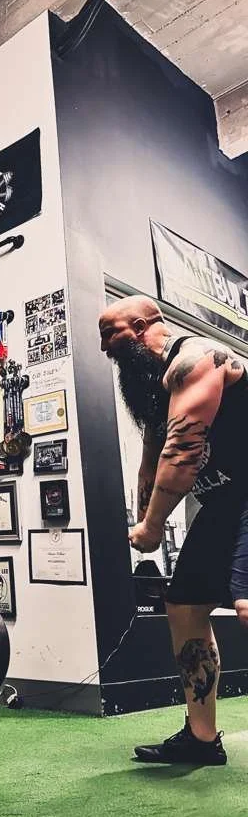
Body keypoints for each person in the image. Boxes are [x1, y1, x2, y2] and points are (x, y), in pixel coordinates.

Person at [99, 294, 248, 766]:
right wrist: (143, 523)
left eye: (111, 333)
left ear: (142, 326)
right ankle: (202, 740)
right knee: (184, 604)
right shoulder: (157, 391)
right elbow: (151, 459)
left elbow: (181, 455)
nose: (105, 349)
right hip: (228, 500)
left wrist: (154, 525)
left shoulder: (195, 360)